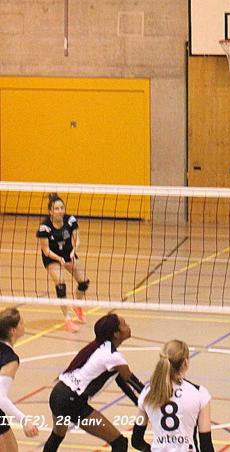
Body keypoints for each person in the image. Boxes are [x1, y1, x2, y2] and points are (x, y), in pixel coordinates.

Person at [43, 313, 144, 452]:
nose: (128, 326)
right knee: (119, 443)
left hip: (58, 394)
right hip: (71, 402)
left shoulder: (99, 347)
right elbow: (134, 383)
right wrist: (150, 403)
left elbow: (121, 382)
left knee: (57, 435)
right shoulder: (113, 357)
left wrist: (138, 402)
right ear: (116, 334)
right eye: (124, 324)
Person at [131, 339, 214, 452]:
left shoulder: (147, 393)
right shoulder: (199, 393)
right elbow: (206, 445)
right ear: (185, 363)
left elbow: (136, 440)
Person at [36, 193, 89, 332]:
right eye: (56, 208)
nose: (60, 211)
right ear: (50, 211)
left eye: (62, 208)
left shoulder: (70, 220)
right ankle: (67, 318)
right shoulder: (44, 227)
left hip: (68, 253)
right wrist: (59, 259)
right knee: (60, 286)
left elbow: (77, 240)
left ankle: (77, 305)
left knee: (84, 283)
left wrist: (73, 251)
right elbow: (46, 250)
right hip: (52, 257)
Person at [0, 308, 38, 451]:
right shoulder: (10, 359)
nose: (24, 324)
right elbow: (0, 398)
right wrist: (24, 420)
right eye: (21, 323)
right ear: (12, 331)